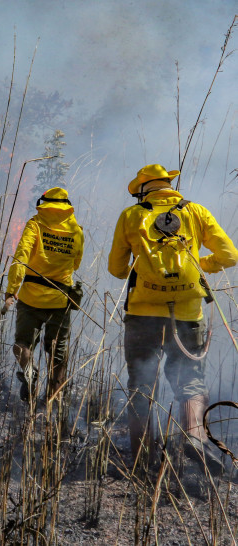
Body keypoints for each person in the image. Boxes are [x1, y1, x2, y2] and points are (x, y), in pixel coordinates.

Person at [108, 164, 237, 476]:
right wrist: (198, 266)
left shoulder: (132, 216)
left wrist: (143, 277)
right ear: (168, 184)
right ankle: (194, 437)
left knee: (141, 385)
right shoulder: (195, 211)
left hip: (142, 314)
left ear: (143, 189)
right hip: (188, 313)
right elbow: (230, 256)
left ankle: (141, 460)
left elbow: (115, 267)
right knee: (190, 381)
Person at [3, 187, 84, 409]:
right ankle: (53, 403)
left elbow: (21, 256)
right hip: (60, 300)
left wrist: (11, 289)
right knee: (57, 353)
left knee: (22, 345)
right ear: (67, 206)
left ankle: (30, 374)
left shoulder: (35, 224)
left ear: (43, 203)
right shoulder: (76, 231)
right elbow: (76, 263)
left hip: (30, 298)